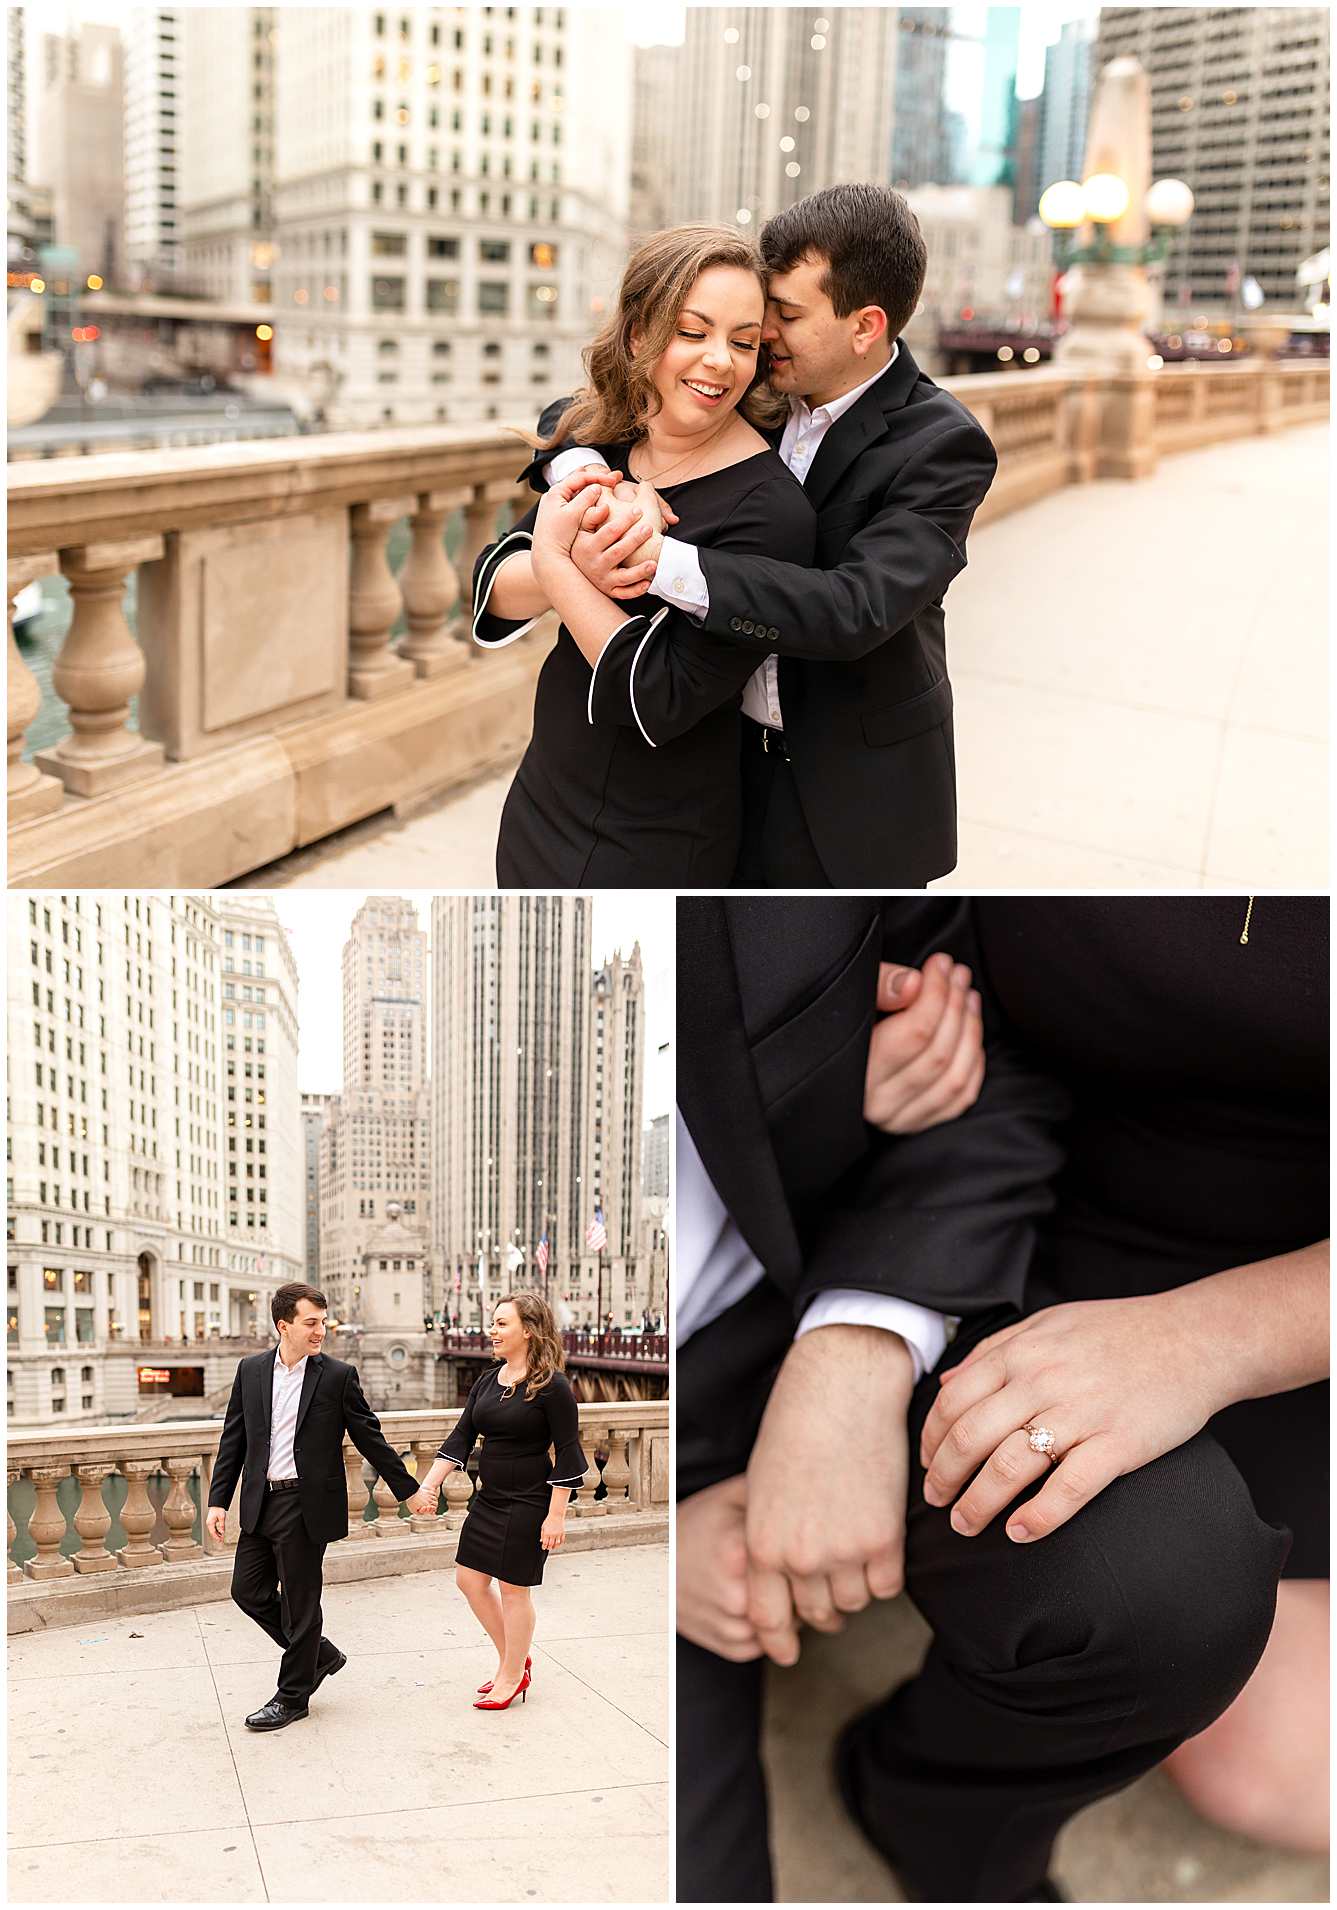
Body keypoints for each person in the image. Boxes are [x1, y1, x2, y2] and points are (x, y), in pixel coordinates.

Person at [675, 897, 1327, 1902]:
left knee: (1260, 1735)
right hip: (1040, 1210)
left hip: (1290, 1282)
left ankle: (934, 1812)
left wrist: (1215, 1337)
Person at [551, 182, 998, 888]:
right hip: (714, 767)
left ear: (865, 325)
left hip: (850, 791)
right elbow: (586, 407)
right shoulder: (750, 391)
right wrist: (595, 481)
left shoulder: (942, 446)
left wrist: (655, 556)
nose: (759, 336)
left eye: (784, 315)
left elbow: (855, 609)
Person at [471, 223, 815, 888]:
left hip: (653, 840)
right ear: (637, 335)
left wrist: (557, 559)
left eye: (743, 342)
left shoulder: (769, 512)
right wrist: (563, 566)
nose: (720, 360)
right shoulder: (606, 443)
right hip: (541, 802)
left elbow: (658, 696)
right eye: (693, 332)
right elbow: (491, 587)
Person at [206, 1282, 419, 1731]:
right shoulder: (251, 1371)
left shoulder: (338, 1376)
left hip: (306, 1505)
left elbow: (369, 1437)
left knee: (302, 1604)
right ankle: (318, 1654)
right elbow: (235, 1440)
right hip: (260, 1501)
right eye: (311, 1323)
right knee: (247, 1591)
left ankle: (293, 1696)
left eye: (323, 1322)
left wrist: (408, 1489)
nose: (321, 1330)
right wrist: (217, 1500)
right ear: (284, 1325)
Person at [410, 1291, 588, 1711]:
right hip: (489, 1500)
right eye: (492, 1322)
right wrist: (429, 1485)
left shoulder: (552, 1387)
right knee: (469, 1581)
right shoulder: (488, 1381)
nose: (492, 1330)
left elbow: (568, 1452)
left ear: (528, 1330)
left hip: (529, 1502)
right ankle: (515, 1658)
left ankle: (510, 1674)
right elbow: (461, 1436)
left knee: (513, 1591)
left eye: (501, 1323)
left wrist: (556, 1516)